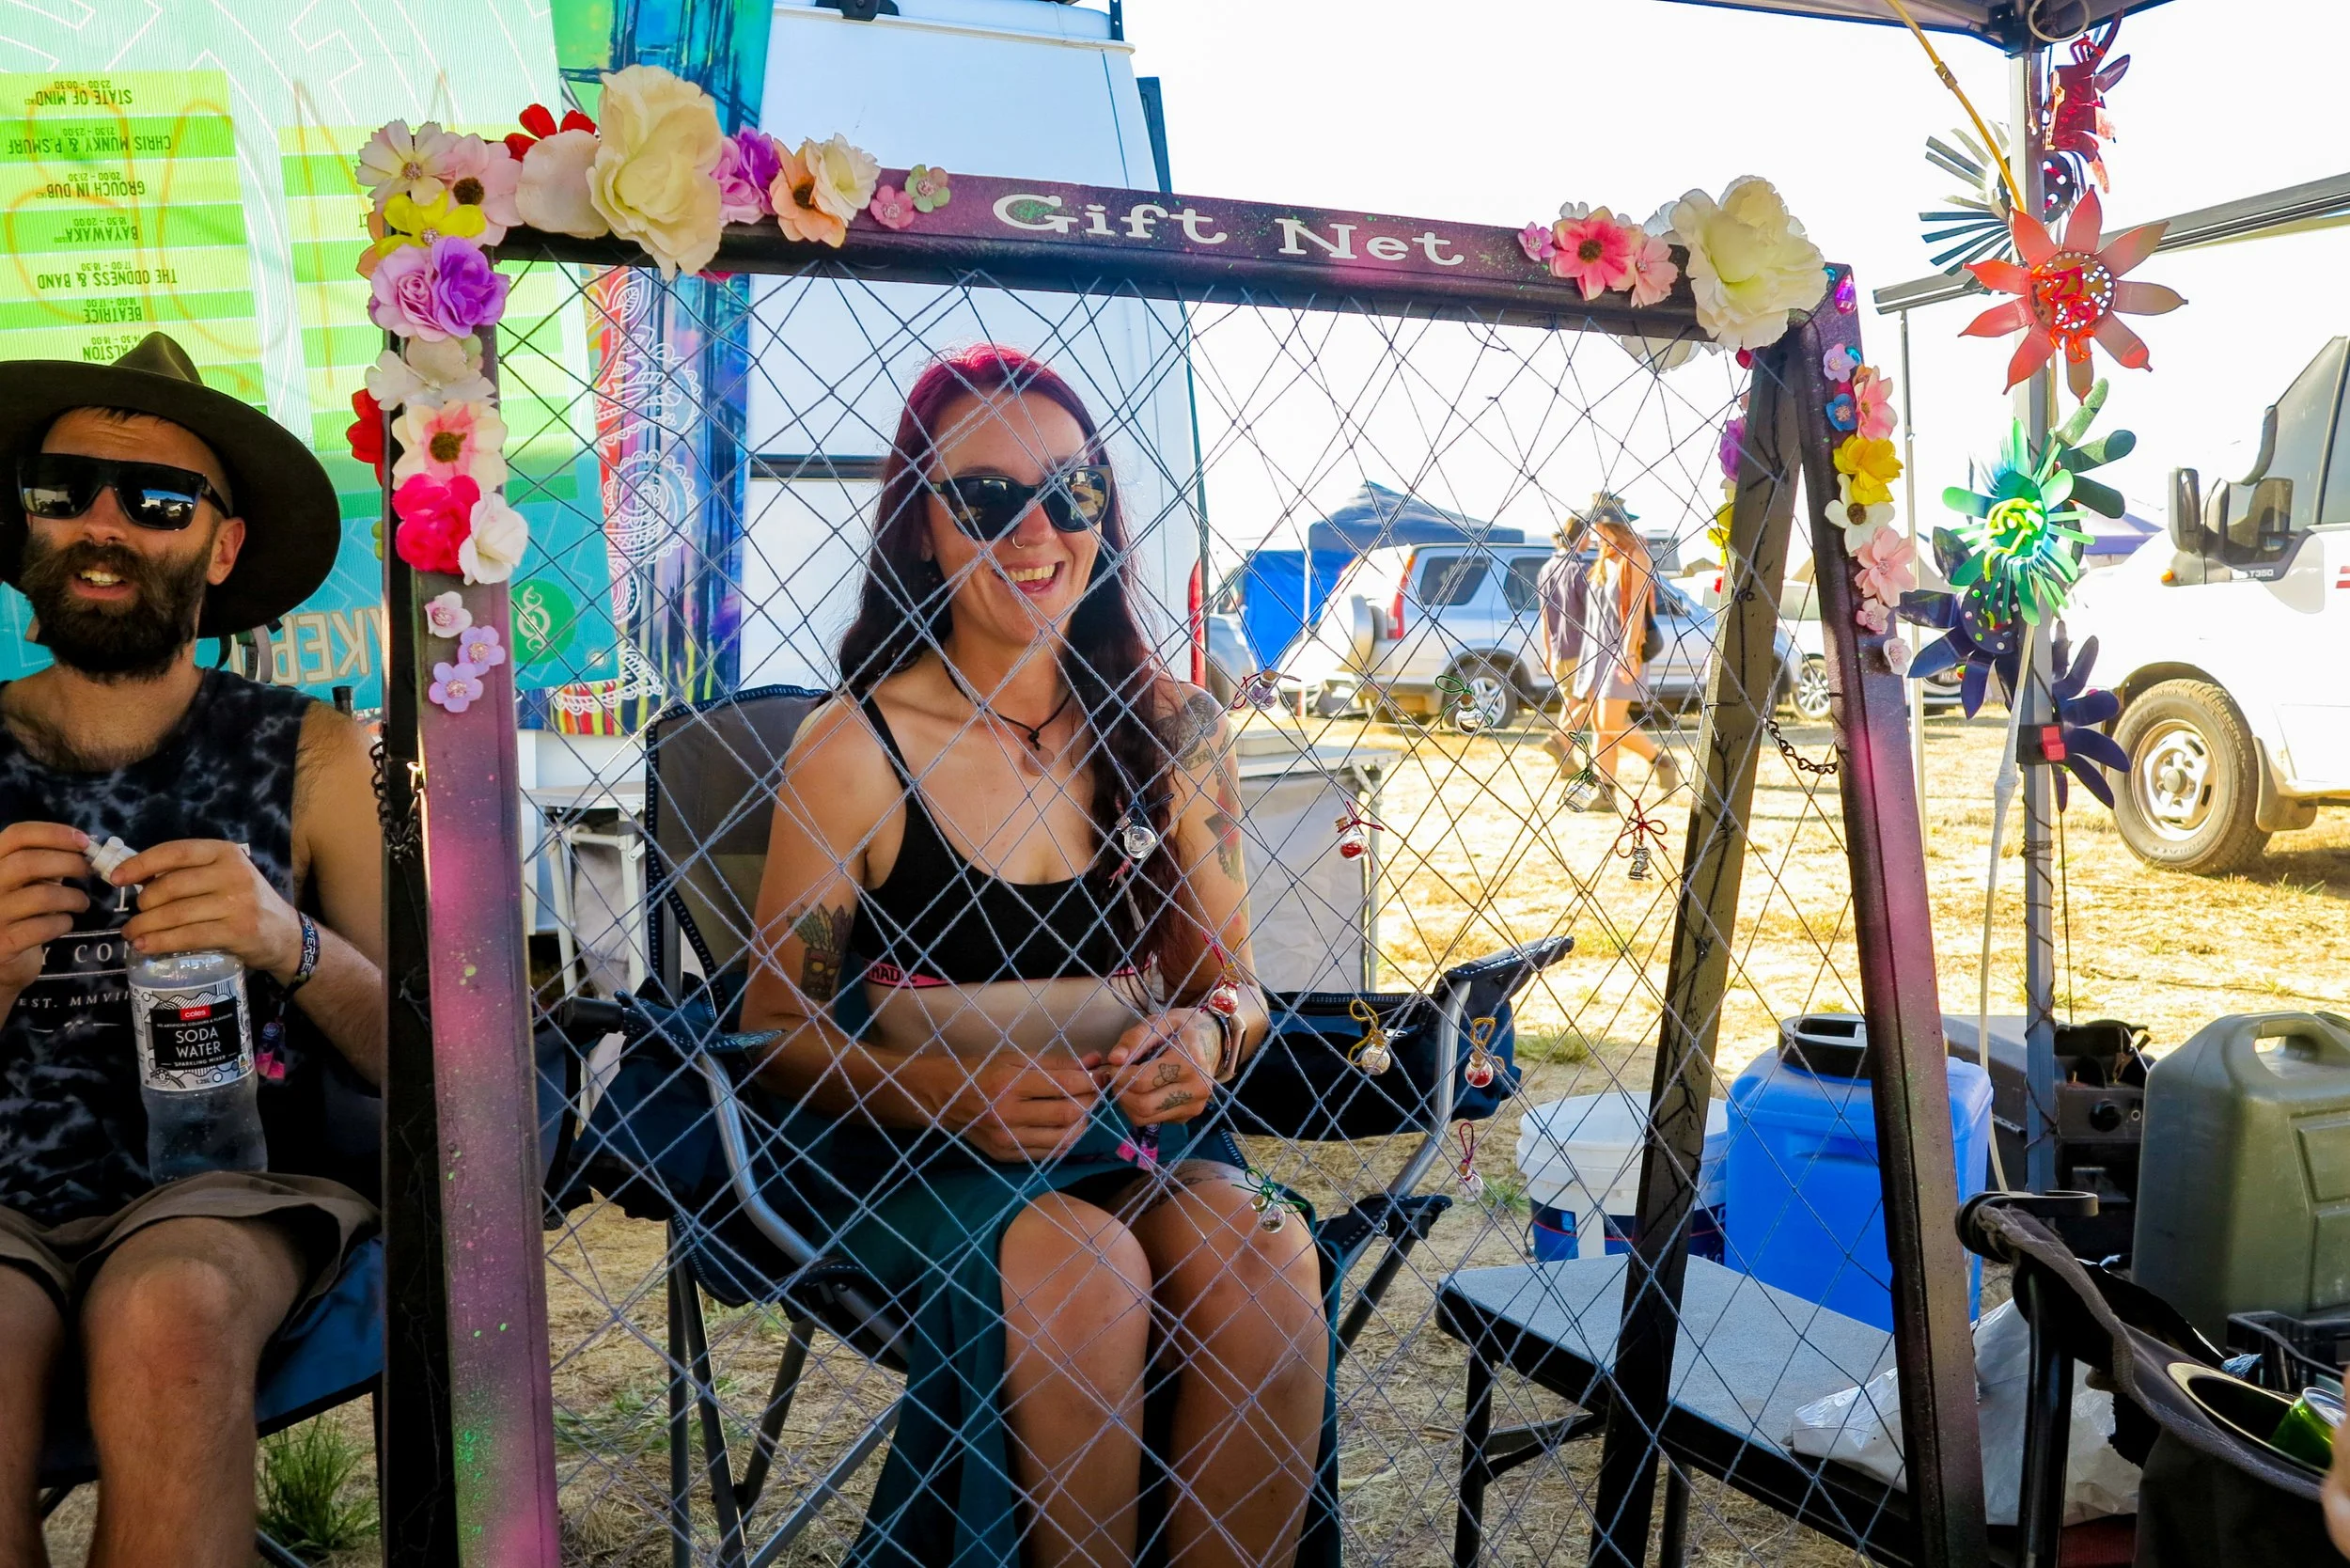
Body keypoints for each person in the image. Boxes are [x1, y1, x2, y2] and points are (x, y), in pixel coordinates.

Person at [740, 344, 1333, 1568]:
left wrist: (1209, 1034)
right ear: (919, 529)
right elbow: (771, 1031)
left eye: (1072, 491)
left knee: (1268, 1250)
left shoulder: (1175, 726)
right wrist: (957, 1097)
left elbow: (1236, 985)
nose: (1038, 530)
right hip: (923, 1151)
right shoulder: (855, 748)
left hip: (1140, 1138)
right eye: (986, 497)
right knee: (1086, 1269)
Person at [0, 332, 383, 1567]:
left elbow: (428, 1054)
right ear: (26, 523)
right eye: (64, 490)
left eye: (158, 501)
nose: (103, 526)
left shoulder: (307, 751)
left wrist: (288, 939)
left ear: (221, 548)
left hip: (226, 1190)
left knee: (171, 1313)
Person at [1572, 495, 1683, 810]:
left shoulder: (1635, 555)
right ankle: (1605, 793)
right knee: (1599, 725)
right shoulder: (1604, 559)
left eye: (1595, 524)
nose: (1592, 531)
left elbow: (1635, 610)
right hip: (1595, 650)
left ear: (1608, 524)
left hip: (1623, 648)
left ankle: (1660, 761)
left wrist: (1629, 653)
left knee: (1609, 722)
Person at [1534, 512, 1591, 783]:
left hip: (1558, 649)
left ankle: (1566, 763)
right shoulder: (1580, 569)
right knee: (1594, 702)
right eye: (1589, 535)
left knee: (1571, 704)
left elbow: (1544, 615)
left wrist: (1547, 650)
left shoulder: (1546, 568)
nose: (1591, 541)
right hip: (1582, 649)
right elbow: (1595, 614)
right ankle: (1558, 740)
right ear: (1580, 536)